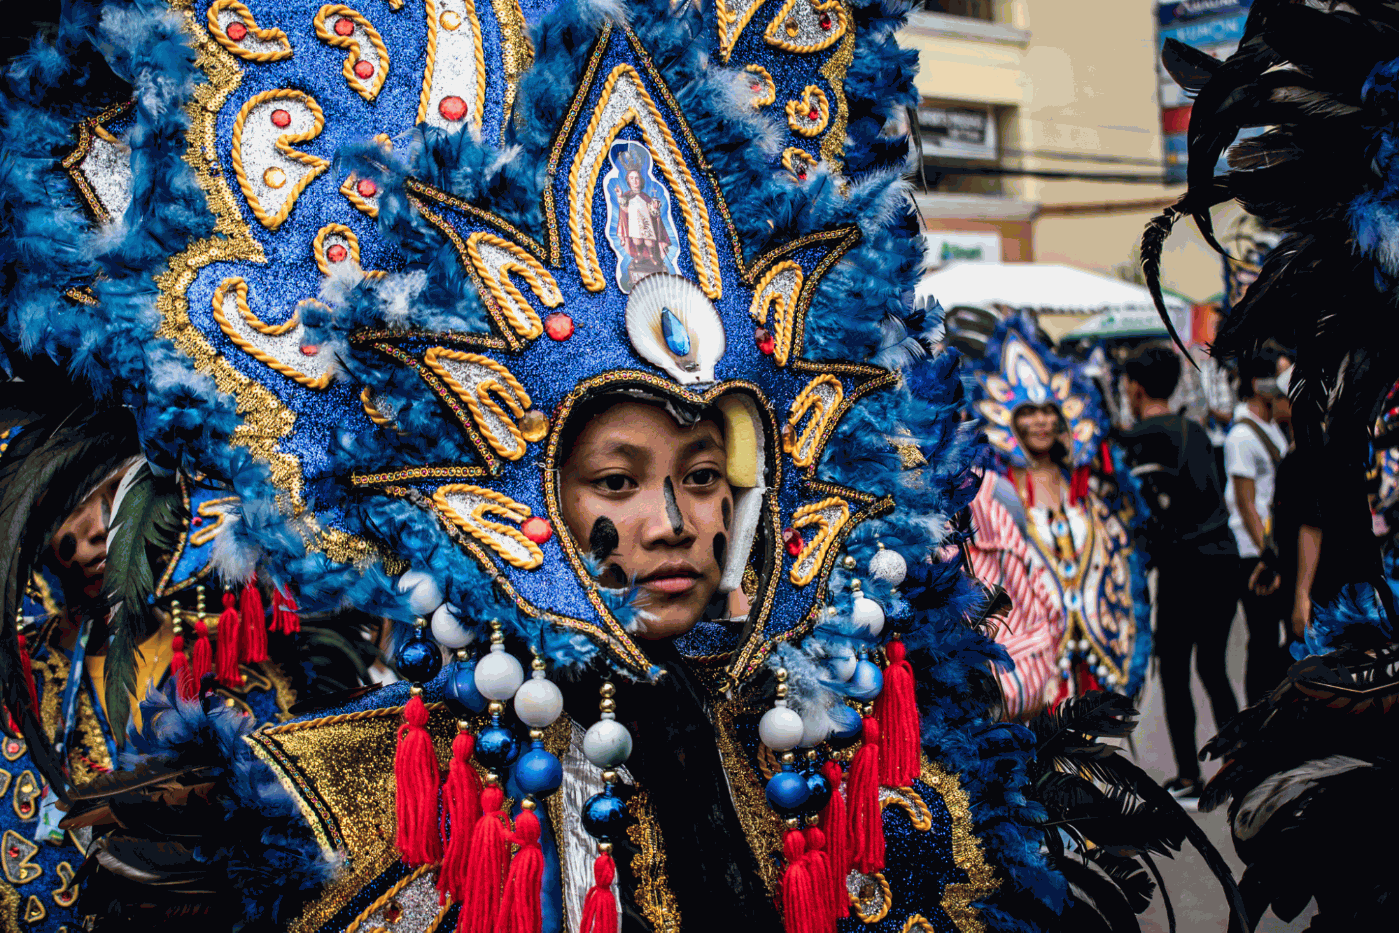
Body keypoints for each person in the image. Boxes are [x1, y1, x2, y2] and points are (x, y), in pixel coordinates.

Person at [969, 315, 1149, 700]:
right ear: (1007, 419)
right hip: (1037, 656)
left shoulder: (1087, 483)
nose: (1041, 422)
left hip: (1096, 647)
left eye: (1048, 411)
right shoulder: (997, 491)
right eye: (1028, 412)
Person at [1116, 344, 1239, 802]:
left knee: (1173, 669)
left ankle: (1189, 774)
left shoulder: (1135, 440)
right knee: (1213, 666)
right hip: (1221, 556)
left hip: (1181, 565)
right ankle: (1238, 764)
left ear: (1135, 387)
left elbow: (1136, 511)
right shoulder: (1195, 430)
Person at [1223, 353, 1291, 703]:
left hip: (1272, 548)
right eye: (1279, 377)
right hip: (1256, 553)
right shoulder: (1242, 436)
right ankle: (1258, 715)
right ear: (1256, 383)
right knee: (1263, 639)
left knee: (1280, 637)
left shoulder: (1272, 427)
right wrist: (1267, 553)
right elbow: (1245, 502)